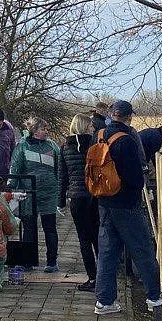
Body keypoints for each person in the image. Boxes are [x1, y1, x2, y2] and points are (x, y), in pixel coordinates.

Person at [94, 100, 162, 316]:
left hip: (104, 201)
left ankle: (104, 301)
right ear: (129, 117)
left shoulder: (99, 135)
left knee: (107, 253)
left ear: (111, 114)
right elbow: (136, 178)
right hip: (127, 204)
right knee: (142, 250)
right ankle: (154, 298)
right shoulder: (127, 140)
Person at [11, 117, 61, 273]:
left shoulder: (52, 146)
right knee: (29, 228)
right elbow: (15, 168)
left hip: (49, 193)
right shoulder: (22, 147)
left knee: (50, 227)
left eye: (46, 128)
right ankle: (27, 261)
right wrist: (11, 188)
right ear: (34, 130)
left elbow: (59, 168)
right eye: (42, 129)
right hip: (29, 193)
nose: (46, 131)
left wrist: (60, 189)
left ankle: (52, 262)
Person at [59, 113, 98, 292]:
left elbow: (63, 176)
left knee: (84, 239)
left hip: (76, 197)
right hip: (94, 195)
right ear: (84, 127)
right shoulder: (94, 145)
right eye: (90, 125)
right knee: (98, 237)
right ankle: (104, 276)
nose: (93, 128)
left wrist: (60, 201)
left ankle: (92, 277)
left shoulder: (65, 147)